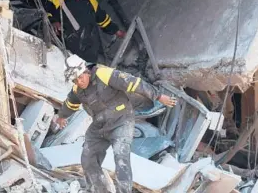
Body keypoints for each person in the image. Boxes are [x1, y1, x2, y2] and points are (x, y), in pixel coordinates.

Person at [56, 55, 176, 193]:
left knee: (121, 158)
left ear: (86, 71)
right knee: (88, 159)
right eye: (74, 80)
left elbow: (134, 83)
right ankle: (99, 190)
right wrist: (61, 116)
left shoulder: (104, 74)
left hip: (121, 120)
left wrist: (159, 96)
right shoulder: (77, 89)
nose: (79, 81)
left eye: (80, 77)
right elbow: (70, 104)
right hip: (99, 125)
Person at [46, 0, 125, 63]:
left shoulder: (91, 0)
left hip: (88, 50)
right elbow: (46, 12)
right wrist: (53, 22)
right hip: (64, 49)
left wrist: (117, 31)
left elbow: (103, 19)